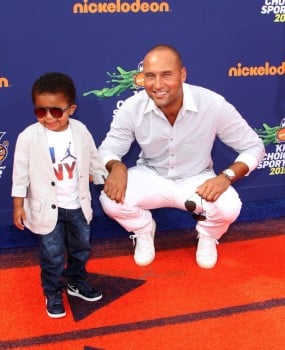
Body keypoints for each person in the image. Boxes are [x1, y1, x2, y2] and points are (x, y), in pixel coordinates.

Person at [98, 44, 265, 269]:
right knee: (110, 199)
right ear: (141, 78)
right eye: (150, 76)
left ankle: (207, 236)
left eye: (166, 75)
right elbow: (108, 149)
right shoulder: (132, 107)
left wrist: (225, 176)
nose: (157, 85)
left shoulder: (212, 104)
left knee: (229, 207)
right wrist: (116, 166)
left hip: (197, 179)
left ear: (182, 74)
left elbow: (254, 146)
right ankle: (144, 230)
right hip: (151, 176)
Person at [11, 72, 108, 318]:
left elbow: (95, 163)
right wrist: (18, 206)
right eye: (40, 111)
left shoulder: (81, 131)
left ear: (71, 109)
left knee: (81, 248)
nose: (48, 118)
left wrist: (107, 182)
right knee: (52, 255)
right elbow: (20, 175)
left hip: (77, 205)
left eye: (56, 111)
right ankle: (52, 291)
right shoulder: (28, 137)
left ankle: (75, 281)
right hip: (45, 208)